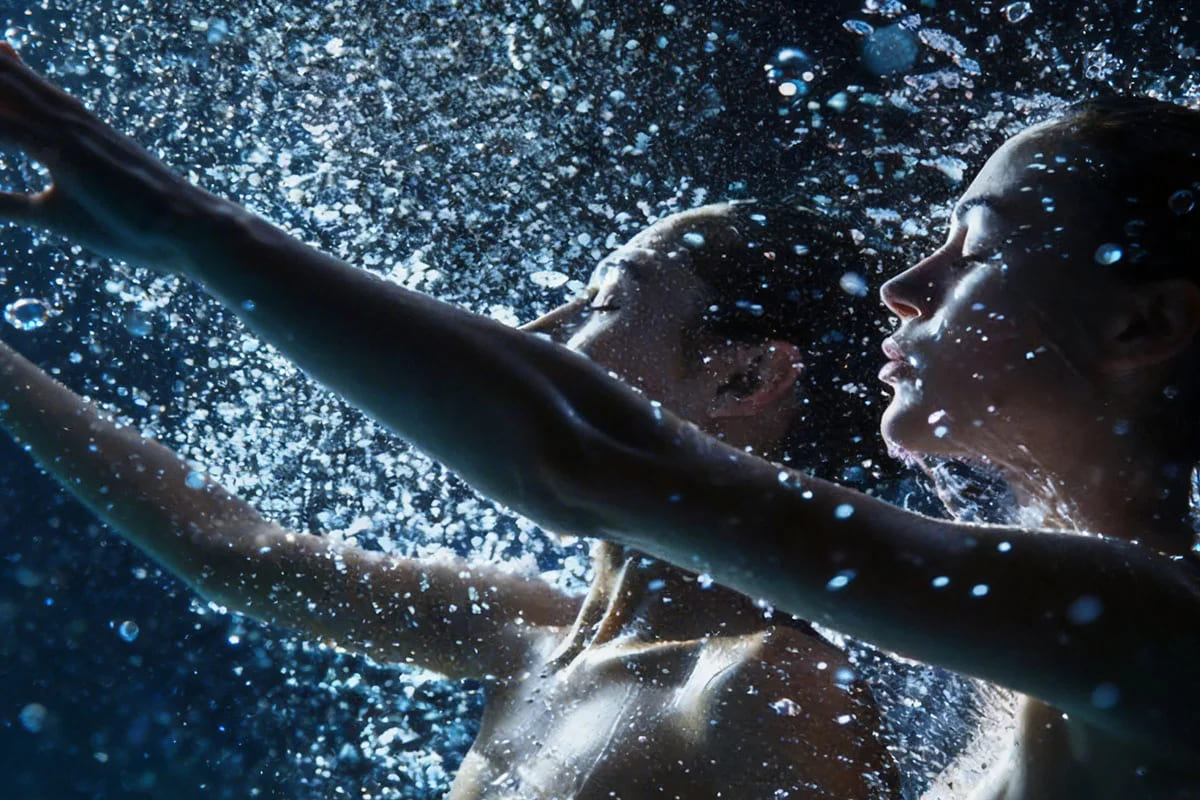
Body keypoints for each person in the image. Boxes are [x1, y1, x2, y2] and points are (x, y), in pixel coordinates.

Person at [6, 39, 1198, 797]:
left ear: (1144, 323)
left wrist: (177, 219)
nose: (905, 286)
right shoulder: (1023, 639)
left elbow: (575, 453)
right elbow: (237, 550)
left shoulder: (1138, 630)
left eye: (976, 250)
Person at [0, 156, 902, 800]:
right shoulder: (535, 631)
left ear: (744, 378)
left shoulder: (771, 690)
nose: (536, 331)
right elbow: (231, 550)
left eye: (607, 299)